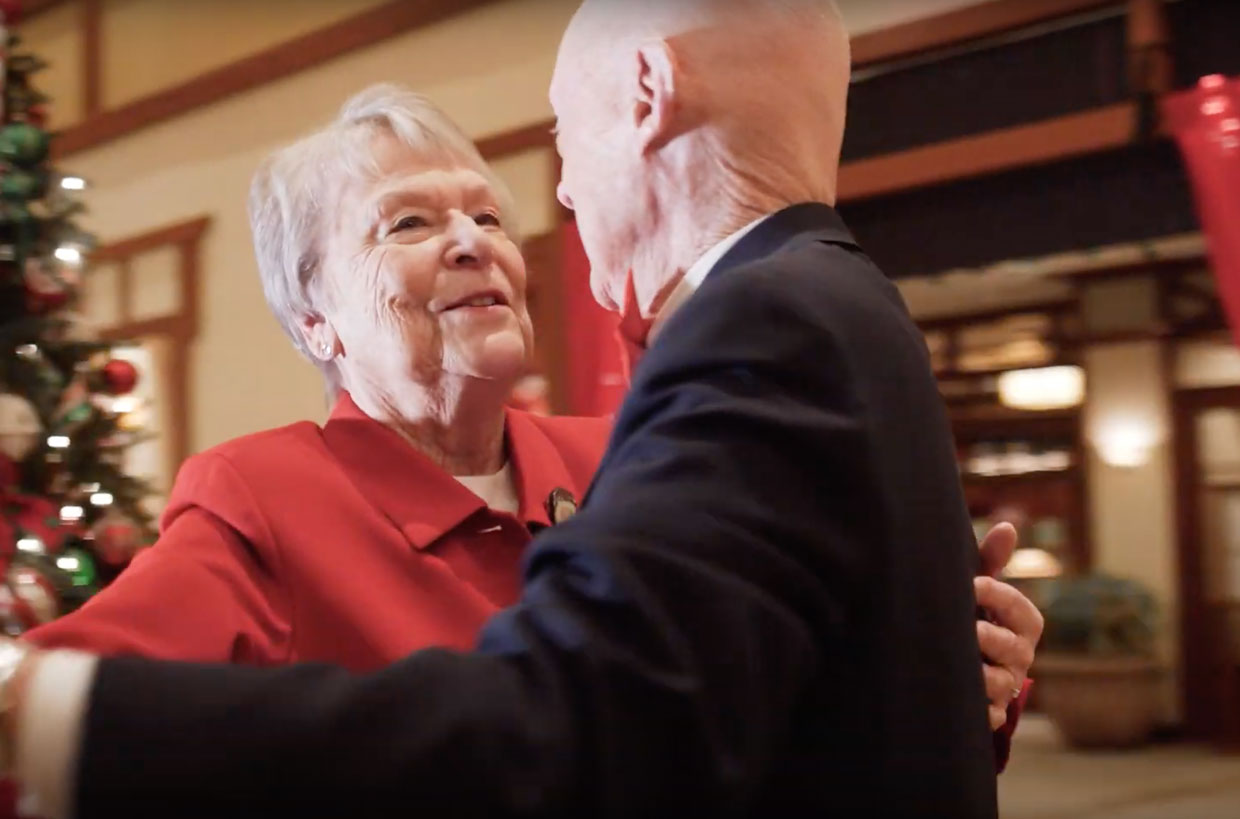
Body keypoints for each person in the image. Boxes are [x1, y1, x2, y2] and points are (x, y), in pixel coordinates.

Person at [0, 3, 1040, 816]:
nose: (473, 241)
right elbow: (70, 692)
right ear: (316, 320)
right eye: (407, 220)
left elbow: (695, 723)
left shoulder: (622, 450)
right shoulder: (262, 493)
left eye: (488, 215)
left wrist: (941, 675)